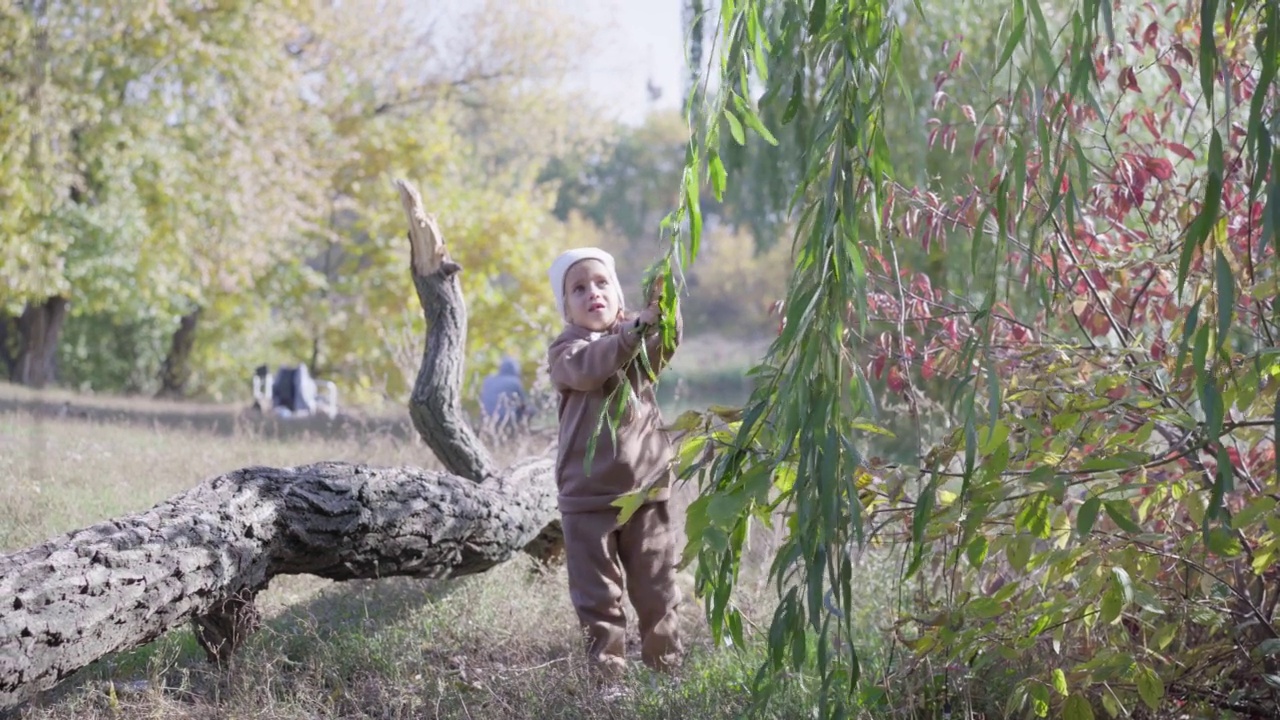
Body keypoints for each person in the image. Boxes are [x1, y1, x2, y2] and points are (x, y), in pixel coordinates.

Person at [546, 247, 685, 682]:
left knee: (657, 590)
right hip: (587, 500)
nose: (593, 293)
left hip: (646, 492)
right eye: (579, 288)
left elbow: (664, 347)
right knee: (598, 599)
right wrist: (629, 335)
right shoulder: (567, 351)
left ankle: (667, 672)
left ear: (619, 296)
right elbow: (592, 368)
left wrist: (666, 313)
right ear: (566, 308)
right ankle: (609, 681)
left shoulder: (636, 341)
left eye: (602, 283)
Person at [479, 356, 528, 434]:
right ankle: (517, 433)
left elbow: (482, 398)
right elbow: (523, 404)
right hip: (505, 419)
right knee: (529, 410)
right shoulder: (515, 382)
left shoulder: (488, 380)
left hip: (487, 418)